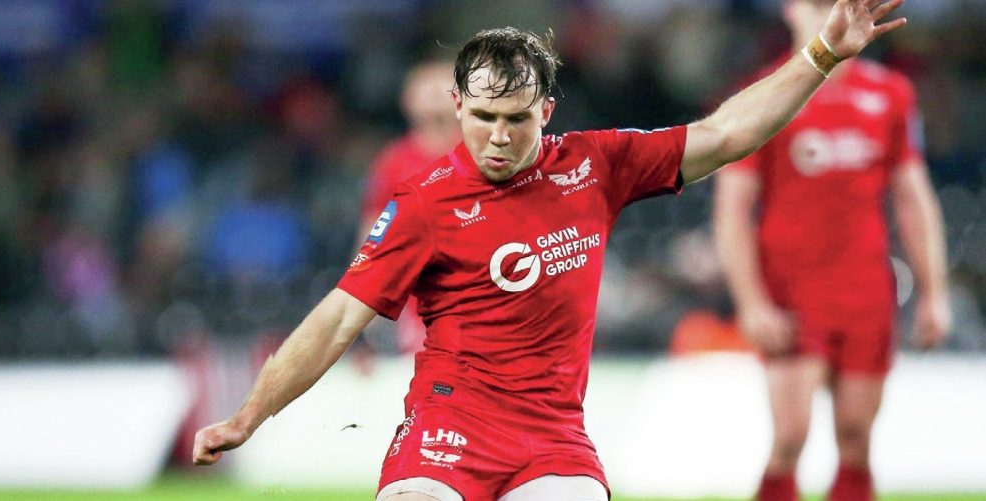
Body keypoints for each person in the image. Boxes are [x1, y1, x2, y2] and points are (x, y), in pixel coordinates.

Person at [193, 3, 907, 499]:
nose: (498, 137)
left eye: (516, 119)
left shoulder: (595, 165)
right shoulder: (422, 204)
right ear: (458, 106)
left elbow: (724, 135)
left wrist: (820, 56)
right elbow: (335, 320)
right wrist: (247, 416)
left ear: (547, 111)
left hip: (553, 442)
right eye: (482, 117)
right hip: (445, 433)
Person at [713, 1, 951, 500]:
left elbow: (913, 197)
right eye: (818, 4)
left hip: (865, 292)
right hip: (791, 293)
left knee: (856, 439)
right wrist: (752, 303)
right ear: (790, 10)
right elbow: (732, 209)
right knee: (790, 437)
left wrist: (934, 293)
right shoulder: (763, 95)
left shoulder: (890, 94)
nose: (829, 15)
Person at [358, 60, 461, 355]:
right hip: (420, 291)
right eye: (427, 90)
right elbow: (374, 227)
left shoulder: (483, 151)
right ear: (407, 101)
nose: (436, 97)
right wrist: (364, 292)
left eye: (442, 88)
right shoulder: (395, 161)